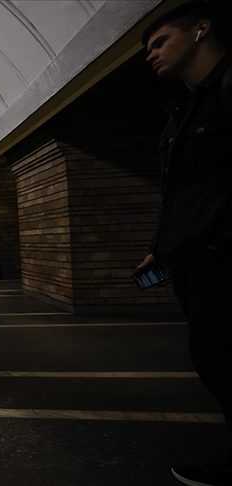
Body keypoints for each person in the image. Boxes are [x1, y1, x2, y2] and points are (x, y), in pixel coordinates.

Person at [138, 2, 231, 484]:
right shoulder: (182, 108)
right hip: (190, 258)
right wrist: (163, 244)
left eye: (159, 42)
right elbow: (179, 190)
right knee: (214, 360)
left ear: (201, 30)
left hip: (221, 257)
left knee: (222, 361)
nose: (150, 54)